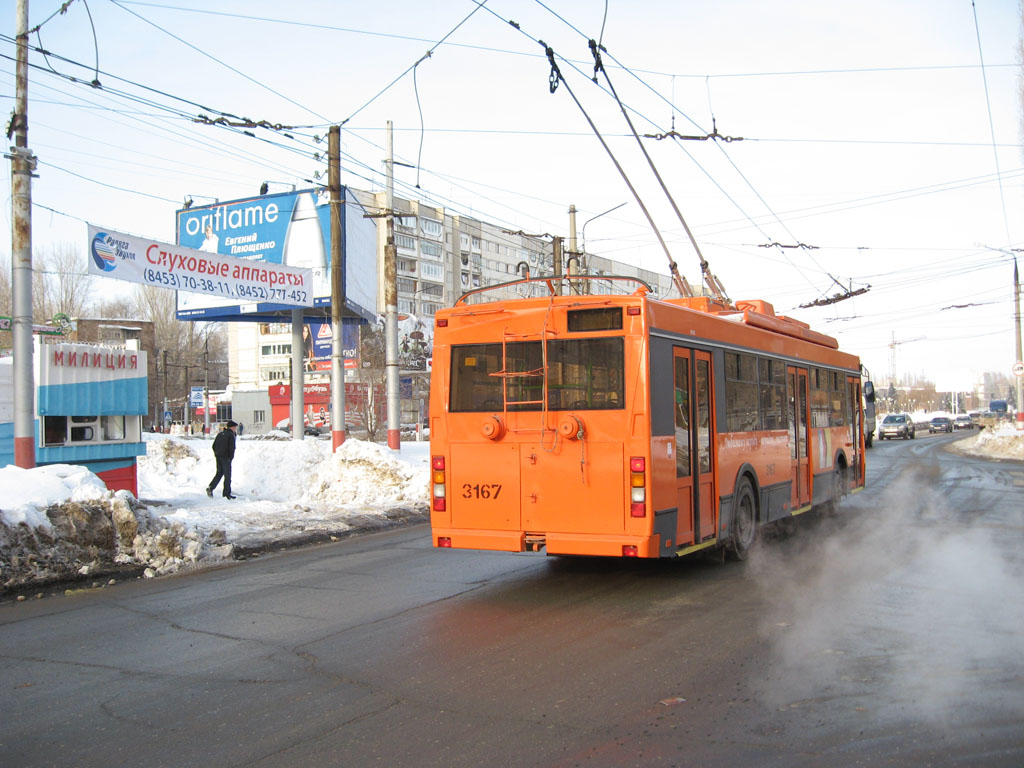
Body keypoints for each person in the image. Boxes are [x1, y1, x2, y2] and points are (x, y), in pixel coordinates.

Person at [207, 420, 238, 499]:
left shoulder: (220, 434)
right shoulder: (230, 435)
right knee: (227, 475)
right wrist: (230, 457)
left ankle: (211, 487)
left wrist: (217, 453)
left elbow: (214, 445)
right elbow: (232, 448)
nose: (235, 429)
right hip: (226, 457)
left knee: (219, 473)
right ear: (232, 427)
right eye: (235, 427)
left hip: (218, 456)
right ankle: (226, 493)